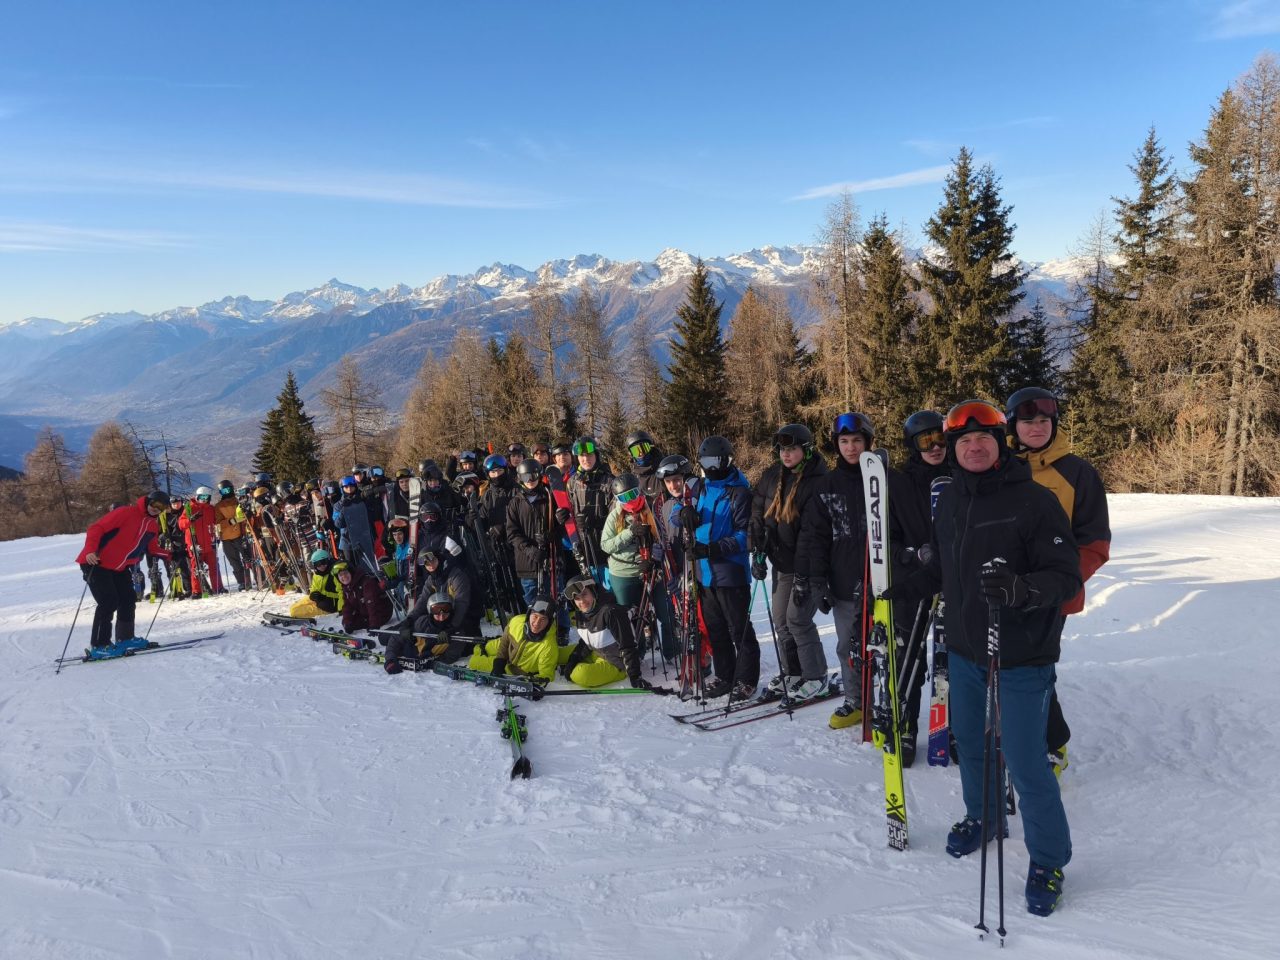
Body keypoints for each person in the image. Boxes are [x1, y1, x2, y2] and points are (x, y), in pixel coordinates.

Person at [890, 399, 1080, 917]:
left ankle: (1047, 859)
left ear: (1000, 445)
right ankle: (986, 816)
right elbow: (945, 570)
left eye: (985, 440)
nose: (974, 447)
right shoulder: (951, 500)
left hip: (1021, 656)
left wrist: (1020, 588)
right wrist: (901, 588)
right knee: (971, 743)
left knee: (1023, 759)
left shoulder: (1035, 502)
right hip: (968, 649)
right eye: (964, 442)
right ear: (953, 449)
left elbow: (1066, 577)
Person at [1006, 386, 1111, 777]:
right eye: (1028, 421)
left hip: (1050, 595)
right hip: (1003, 587)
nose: (1036, 427)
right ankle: (1014, 731)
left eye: (1044, 420)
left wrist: (1060, 582)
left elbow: (1095, 541)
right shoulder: (1003, 467)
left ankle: (1052, 745)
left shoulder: (1077, 472)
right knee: (1003, 664)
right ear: (1013, 425)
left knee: (1035, 667)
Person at [794, 412, 875, 729]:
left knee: (888, 646)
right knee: (848, 645)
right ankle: (856, 700)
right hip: (844, 582)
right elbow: (815, 537)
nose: (851, 448)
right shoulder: (826, 486)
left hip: (884, 581)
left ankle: (889, 700)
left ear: (867, 442)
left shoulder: (883, 479)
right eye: (844, 441)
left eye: (857, 441)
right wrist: (818, 580)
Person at [886, 410, 951, 766]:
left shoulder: (960, 475)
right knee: (910, 655)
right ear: (913, 444)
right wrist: (913, 555)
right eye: (927, 441)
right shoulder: (900, 484)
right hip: (914, 580)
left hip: (954, 579)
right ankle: (906, 725)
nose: (936, 447)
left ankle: (953, 726)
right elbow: (887, 540)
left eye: (941, 438)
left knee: (954, 655)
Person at [751, 423, 832, 701]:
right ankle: (794, 672)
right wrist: (758, 549)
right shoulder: (773, 476)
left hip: (808, 566)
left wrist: (803, 577)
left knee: (797, 619)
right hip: (783, 562)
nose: (786, 454)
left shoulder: (818, 481)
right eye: (783, 449)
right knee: (780, 621)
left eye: (793, 449)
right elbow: (758, 512)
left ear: (806, 450)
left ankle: (816, 676)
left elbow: (812, 535)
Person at [682, 435, 758, 701]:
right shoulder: (700, 488)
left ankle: (746, 680)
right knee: (716, 630)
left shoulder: (739, 491)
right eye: (706, 461)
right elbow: (679, 509)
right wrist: (683, 514)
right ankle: (726, 676)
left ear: (728, 460)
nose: (712, 467)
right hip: (704, 573)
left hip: (731, 573)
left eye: (717, 460)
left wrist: (714, 549)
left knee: (740, 630)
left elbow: (743, 536)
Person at [75, 491, 172, 657]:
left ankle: (125, 638)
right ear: (148, 501)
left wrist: (173, 554)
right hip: (95, 562)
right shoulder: (125, 512)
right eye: (154, 504)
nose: (156, 509)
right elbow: (96, 528)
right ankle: (99, 645)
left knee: (128, 598)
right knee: (108, 602)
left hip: (119, 567)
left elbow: (152, 549)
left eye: (161, 507)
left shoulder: (152, 526)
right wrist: (91, 550)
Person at [599, 472, 669, 658]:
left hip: (651, 570)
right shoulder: (615, 516)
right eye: (624, 497)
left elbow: (665, 539)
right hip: (623, 573)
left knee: (665, 612)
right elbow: (606, 545)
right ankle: (635, 654)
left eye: (633, 494)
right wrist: (629, 533)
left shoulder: (652, 510)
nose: (630, 500)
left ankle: (672, 651)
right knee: (629, 617)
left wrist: (653, 557)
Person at [559, 575, 654, 689]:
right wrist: (573, 660)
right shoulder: (582, 613)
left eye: (584, 594)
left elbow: (628, 645)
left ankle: (586, 669)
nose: (582, 601)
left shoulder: (610, 612)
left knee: (580, 675)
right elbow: (585, 641)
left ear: (593, 592)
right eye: (577, 598)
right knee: (558, 654)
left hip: (615, 662)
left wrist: (635, 675)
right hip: (596, 651)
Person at [467, 597, 561, 683]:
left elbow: (546, 674)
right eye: (535, 616)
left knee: (473, 662)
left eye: (543, 619)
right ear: (528, 615)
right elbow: (505, 642)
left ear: (549, 622)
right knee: (480, 648)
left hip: (513, 666)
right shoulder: (517, 621)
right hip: (507, 646)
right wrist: (499, 663)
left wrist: (537, 685)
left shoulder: (549, 645)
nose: (537, 623)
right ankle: (485, 646)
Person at [385, 590, 479, 671]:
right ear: (430, 611)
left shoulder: (456, 633)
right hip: (407, 648)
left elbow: (451, 656)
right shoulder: (421, 623)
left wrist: (430, 663)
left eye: (446, 609)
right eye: (436, 610)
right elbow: (395, 639)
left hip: (422, 654)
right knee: (384, 638)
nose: (441, 616)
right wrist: (390, 660)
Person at [568, 435, 614, 584]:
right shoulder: (572, 483)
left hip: (605, 548)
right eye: (581, 455)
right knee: (591, 594)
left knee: (608, 592)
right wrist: (567, 517)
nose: (585, 459)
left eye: (589, 454)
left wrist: (596, 521)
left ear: (596, 455)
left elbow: (617, 516)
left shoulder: (609, 481)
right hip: (584, 548)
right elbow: (569, 510)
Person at [179, 486, 222, 595]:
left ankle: (218, 587)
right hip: (195, 543)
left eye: (206, 497)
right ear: (197, 496)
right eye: (201, 496)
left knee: (214, 566)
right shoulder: (189, 508)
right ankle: (196, 591)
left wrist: (217, 533)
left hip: (209, 542)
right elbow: (181, 524)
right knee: (196, 568)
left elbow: (216, 521)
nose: (204, 499)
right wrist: (190, 520)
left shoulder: (210, 509)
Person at [214, 479, 250, 591]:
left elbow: (245, 515)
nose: (226, 492)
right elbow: (218, 523)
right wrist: (232, 521)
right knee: (234, 561)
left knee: (248, 558)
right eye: (223, 491)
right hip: (227, 537)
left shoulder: (238, 501)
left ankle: (257, 577)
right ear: (220, 492)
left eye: (228, 489)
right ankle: (241, 582)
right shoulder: (219, 506)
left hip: (241, 534)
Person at [337, 562, 393, 635]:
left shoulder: (366, 582)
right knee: (351, 624)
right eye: (340, 575)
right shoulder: (347, 587)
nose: (344, 577)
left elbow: (372, 604)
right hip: (366, 613)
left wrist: (374, 625)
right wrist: (347, 622)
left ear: (351, 572)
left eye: (346, 573)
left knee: (357, 623)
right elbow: (347, 606)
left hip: (381, 613)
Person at [289, 549, 343, 618]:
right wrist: (313, 594)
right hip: (319, 600)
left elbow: (342, 592)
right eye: (318, 564)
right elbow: (314, 588)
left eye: (324, 562)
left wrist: (342, 609)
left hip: (329, 605)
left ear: (328, 560)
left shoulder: (335, 573)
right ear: (314, 565)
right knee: (293, 607)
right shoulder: (317, 574)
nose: (322, 566)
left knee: (295, 612)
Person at [624, 429, 666, 500]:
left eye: (644, 448)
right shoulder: (633, 478)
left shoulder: (664, 468)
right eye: (636, 451)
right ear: (631, 454)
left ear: (650, 447)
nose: (641, 453)